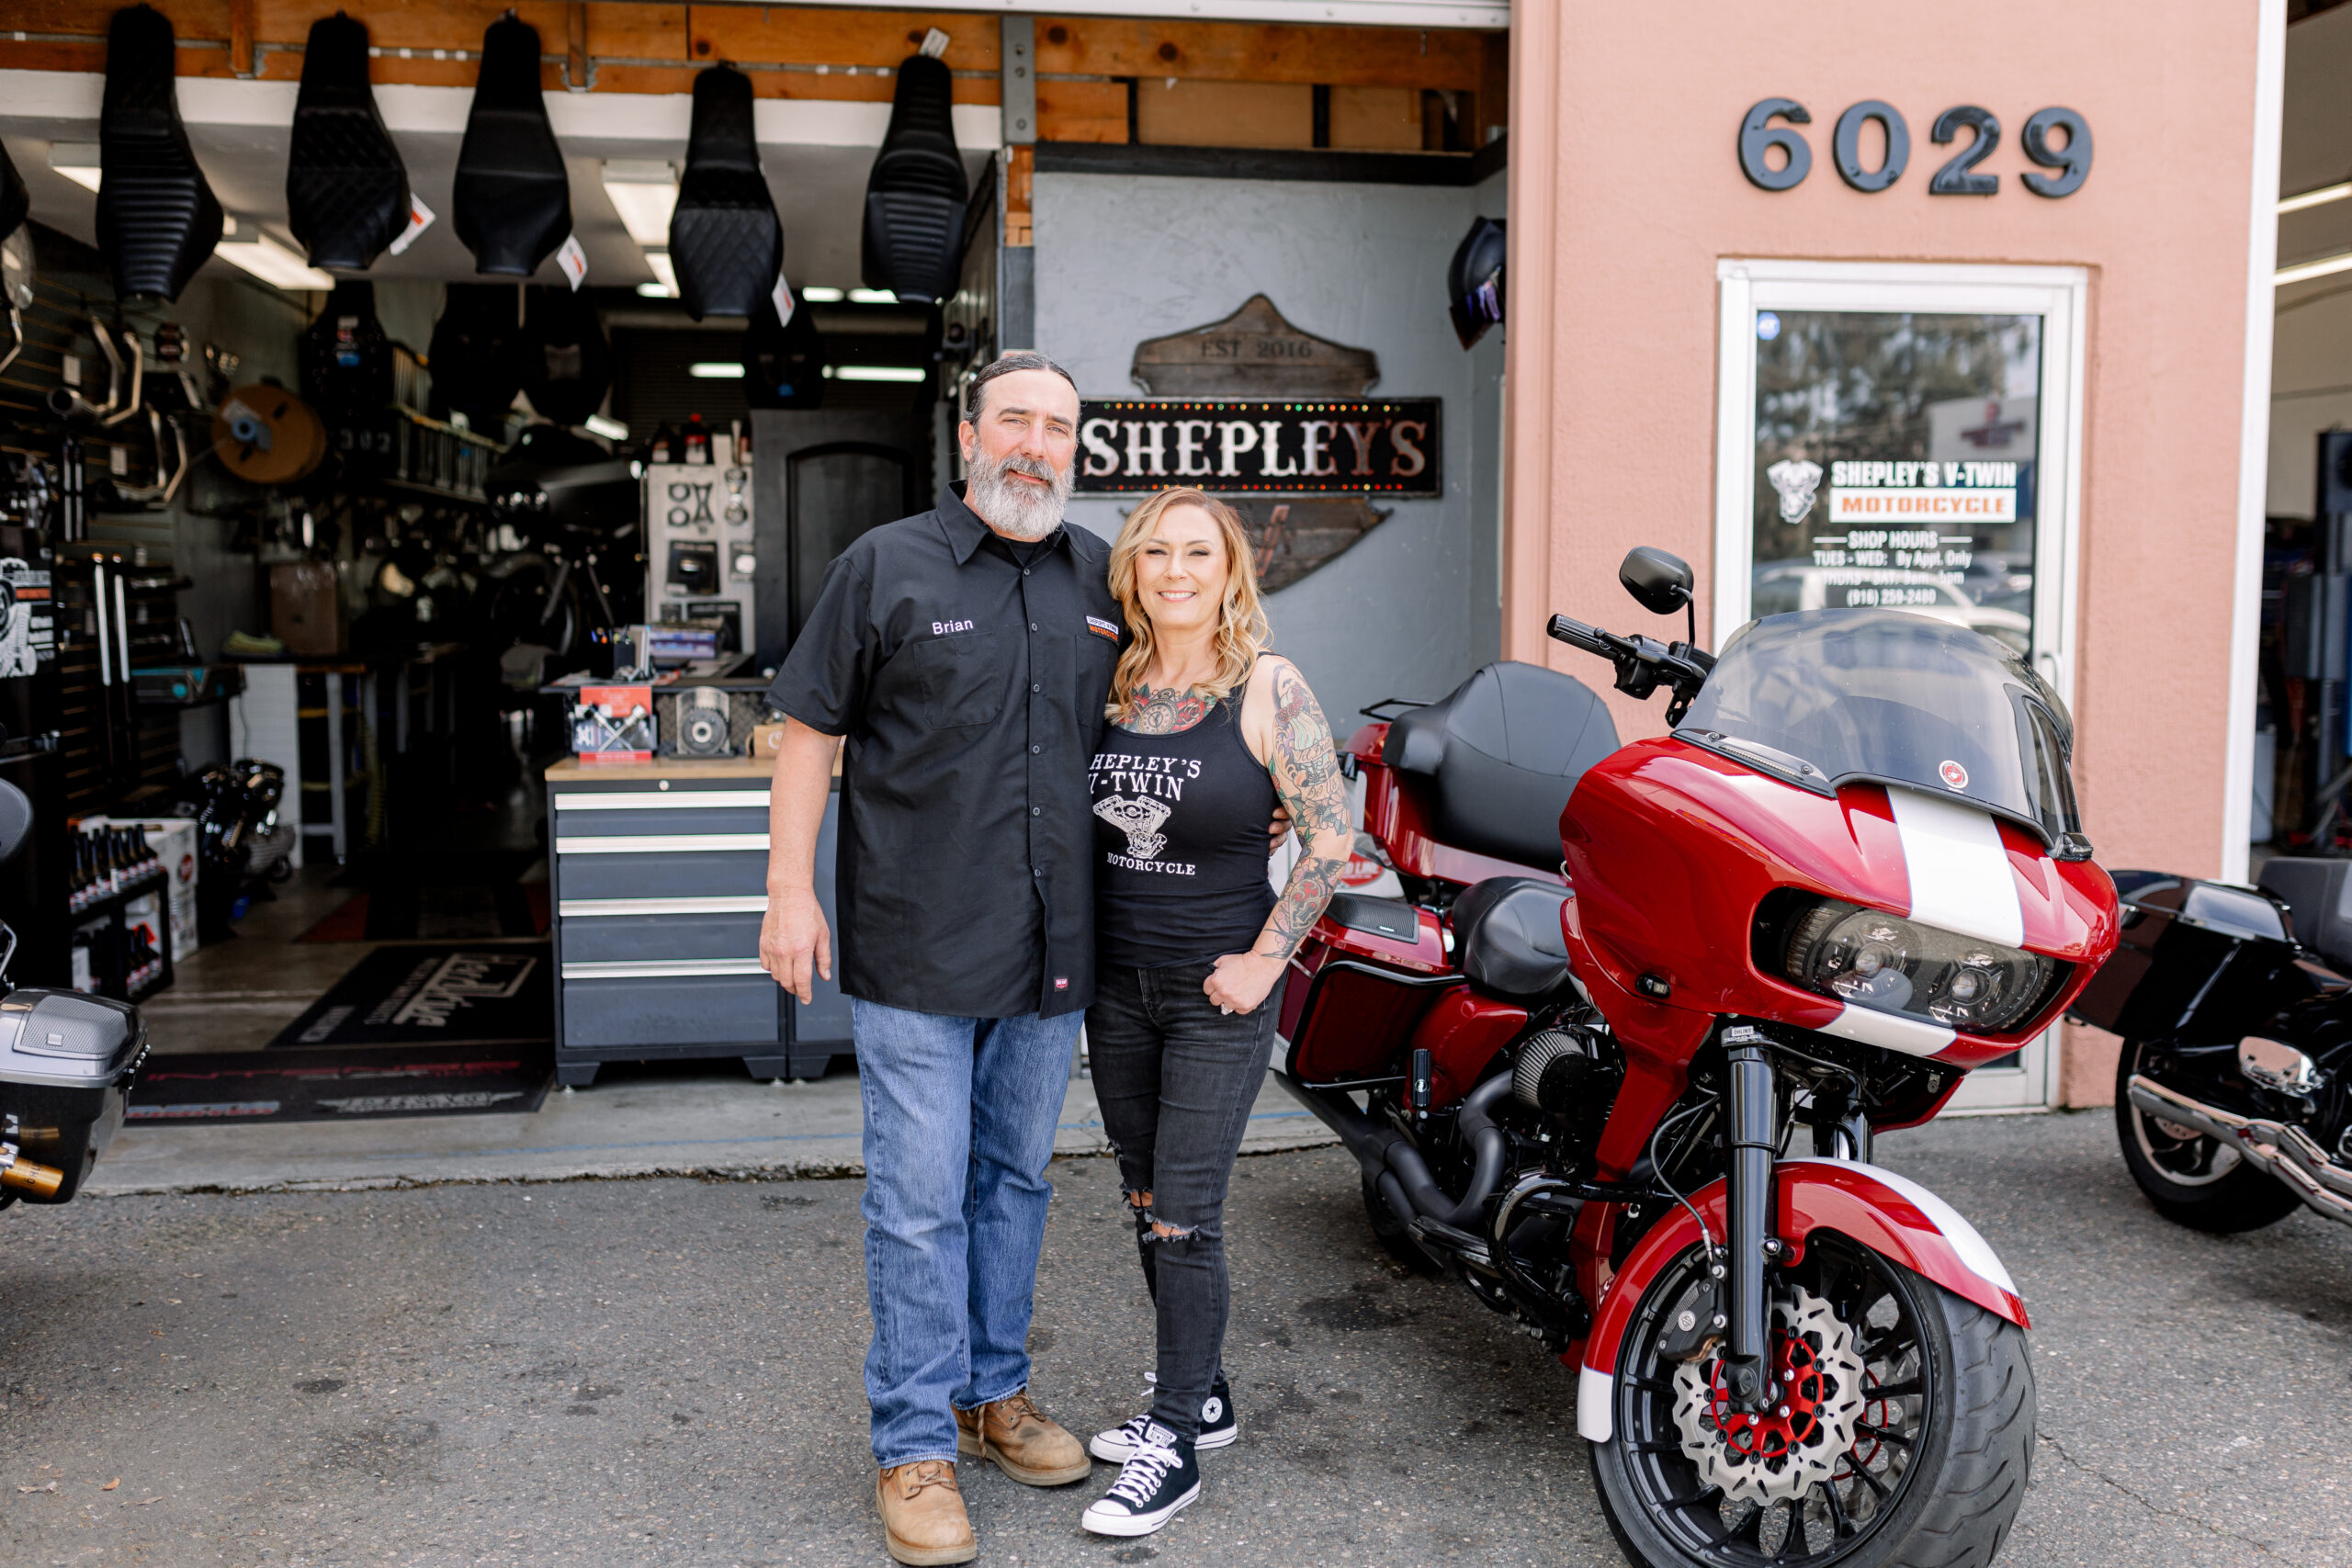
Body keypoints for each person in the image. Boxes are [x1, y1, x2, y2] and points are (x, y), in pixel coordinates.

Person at [758, 353, 1110, 1567]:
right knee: (916, 1202)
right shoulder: (886, 565)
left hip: (1053, 946)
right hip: (912, 942)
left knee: (1013, 1182)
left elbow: (1170, 714)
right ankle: (914, 1442)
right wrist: (790, 891)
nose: (1035, 443)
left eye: (1057, 426)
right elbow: (808, 733)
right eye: (1015, 417)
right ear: (969, 434)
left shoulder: (1101, 579)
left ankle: (991, 1391)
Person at [1074, 488, 1352, 1538]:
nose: (1176, 570)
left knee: (1188, 1214)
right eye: (1157, 553)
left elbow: (1331, 838)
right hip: (1117, 989)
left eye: (1199, 553)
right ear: (1133, 571)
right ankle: (1206, 1393)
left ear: (1231, 572)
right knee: (1146, 1199)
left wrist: (1263, 959)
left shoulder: (1266, 686)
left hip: (1215, 993)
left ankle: (1173, 1442)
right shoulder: (1108, 683)